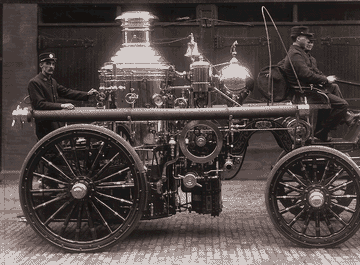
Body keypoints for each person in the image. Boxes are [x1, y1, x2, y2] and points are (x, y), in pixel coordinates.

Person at [279, 26, 360, 141]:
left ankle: (346, 116)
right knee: (342, 105)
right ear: (298, 39)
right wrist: (325, 80)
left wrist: (325, 79)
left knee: (333, 87)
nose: (308, 40)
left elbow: (313, 72)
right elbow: (306, 75)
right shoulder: (295, 55)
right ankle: (322, 131)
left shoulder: (300, 53)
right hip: (305, 92)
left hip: (309, 89)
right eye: (306, 38)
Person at [28, 52, 98, 140]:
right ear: (41, 65)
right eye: (48, 64)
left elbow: (66, 92)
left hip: (55, 124)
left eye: (53, 64)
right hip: (45, 126)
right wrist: (62, 105)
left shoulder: (52, 81)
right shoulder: (35, 82)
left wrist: (87, 94)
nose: (51, 66)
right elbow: (40, 104)